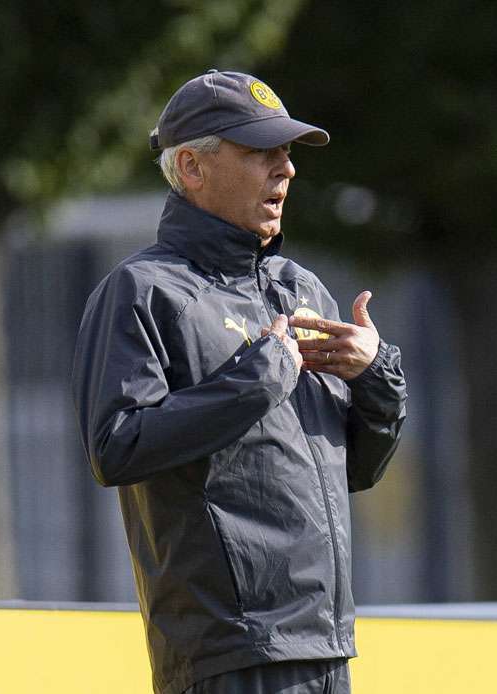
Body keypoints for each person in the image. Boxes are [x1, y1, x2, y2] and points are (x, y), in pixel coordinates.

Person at [71, 70, 407, 694]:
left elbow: (352, 470)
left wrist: (373, 378)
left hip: (328, 647)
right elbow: (115, 446)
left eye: (287, 153)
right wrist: (258, 378)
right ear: (193, 168)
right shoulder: (141, 292)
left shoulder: (300, 288)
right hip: (228, 653)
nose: (287, 170)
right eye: (262, 152)